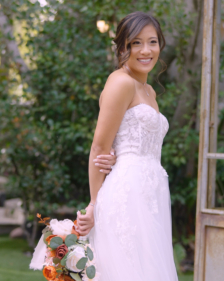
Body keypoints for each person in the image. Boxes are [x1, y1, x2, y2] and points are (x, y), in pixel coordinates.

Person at [75, 11, 178, 280]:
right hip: (127, 192)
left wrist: (118, 155)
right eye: (136, 43)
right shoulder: (120, 82)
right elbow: (99, 148)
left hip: (151, 190)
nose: (146, 50)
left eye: (152, 42)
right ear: (123, 47)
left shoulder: (148, 90)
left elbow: (132, 141)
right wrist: (95, 204)